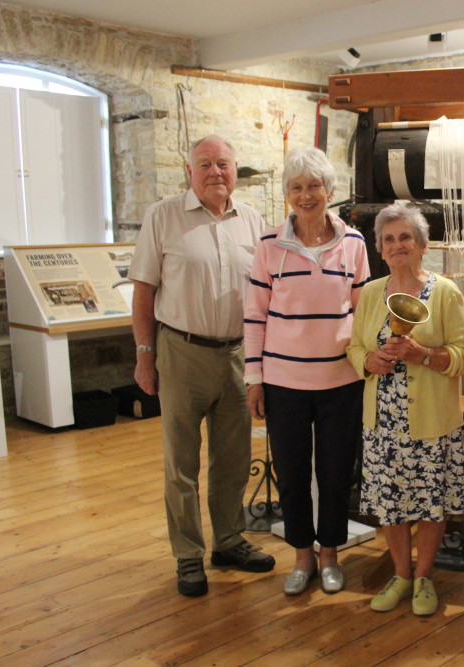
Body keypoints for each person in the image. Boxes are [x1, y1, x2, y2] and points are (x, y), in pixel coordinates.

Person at [130, 135, 275, 597]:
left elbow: (267, 293)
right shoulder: (163, 217)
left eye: (224, 164)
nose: (216, 172)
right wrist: (145, 356)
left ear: (236, 170)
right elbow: (143, 293)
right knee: (181, 463)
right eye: (206, 164)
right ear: (189, 172)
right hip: (181, 353)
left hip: (237, 354)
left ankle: (229, 540)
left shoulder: (252, 221)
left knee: (234, 459)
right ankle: (188, 555)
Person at [243, 147, 370, 596]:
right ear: (287, 196)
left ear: (329, 191)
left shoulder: (353, 243)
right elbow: (255, 316)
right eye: (296, 188)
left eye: (314, 186)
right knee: (293, 477)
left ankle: (330, 554)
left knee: (337, 474)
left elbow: (362, 311)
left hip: (341, 382)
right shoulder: (268, 246)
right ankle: (301, 557)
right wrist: (254, 379)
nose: (306, 195)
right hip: (284, 385)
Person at [347, 202, 464, 616]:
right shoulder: (369, 292)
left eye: (406, 237)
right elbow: (354, 346)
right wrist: (368, 361)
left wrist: (422, 354)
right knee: (390, 502)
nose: (397, 245)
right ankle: (400, 575)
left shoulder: (445, 291)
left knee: (430, 501)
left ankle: (423, 577)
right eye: (389, 239)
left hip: (433, 421)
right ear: (380, 249)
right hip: (382, 420)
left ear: (422, 245)